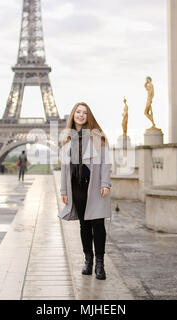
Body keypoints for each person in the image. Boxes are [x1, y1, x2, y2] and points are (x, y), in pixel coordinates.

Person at [58, 102, 112, 280]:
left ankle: (100, 264)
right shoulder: (69, 139)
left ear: (89, 117)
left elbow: (105, 162)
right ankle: (88, 260)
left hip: (94, 185)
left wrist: (105, 183)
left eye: (85, 113)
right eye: (78, 112)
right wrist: (64, 190)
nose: (81, 115)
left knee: (98, 224)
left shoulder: (97, 137)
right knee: (84, 224)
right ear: (73, 115)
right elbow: (65, 169)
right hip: (77, 186)